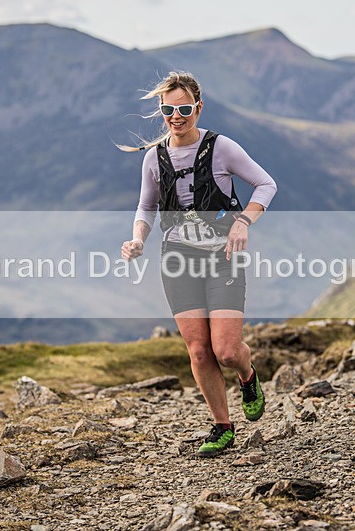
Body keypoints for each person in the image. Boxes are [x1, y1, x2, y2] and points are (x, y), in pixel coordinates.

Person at [119, 71, 277, 457]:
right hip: (178, 260)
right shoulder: (154, 158)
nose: (176, 116)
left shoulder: (221, 148)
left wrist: (243, 222)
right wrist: (138, 239)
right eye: (168, 110)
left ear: (198, 108)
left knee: (226, 350)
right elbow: (146, 206)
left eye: (184, 109)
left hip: (223, 257)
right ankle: (222, 427)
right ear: (162, 112)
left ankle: (247, 375)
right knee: (199, 351)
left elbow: (266, 184)